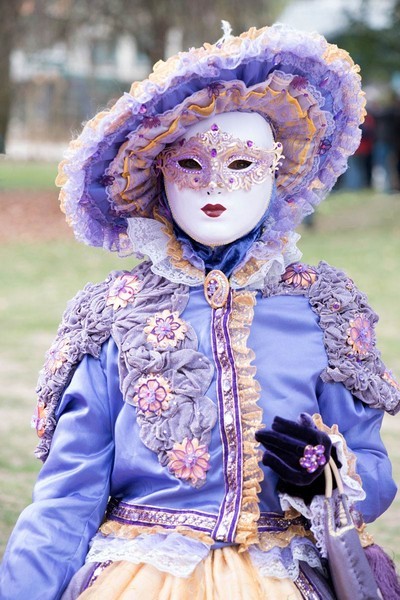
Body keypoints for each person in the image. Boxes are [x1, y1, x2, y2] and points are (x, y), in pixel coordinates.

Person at [1, 22, 399, 600]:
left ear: (278, 171)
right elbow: (68, 497)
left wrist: (329, 476)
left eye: (241, 164)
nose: (215, 184)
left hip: (285, 572)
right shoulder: (114, 315)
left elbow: (372, 466)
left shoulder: (322, 307)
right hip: (140, 575)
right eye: (191, 163)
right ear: (157, 172)